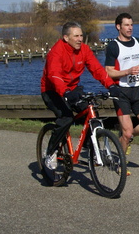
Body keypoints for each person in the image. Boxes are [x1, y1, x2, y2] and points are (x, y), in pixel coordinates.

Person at [40, 21, 121, 150]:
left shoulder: (84, 49)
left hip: (72, 88)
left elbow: (97, 69)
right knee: (66, 118)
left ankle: (89, 147)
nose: (80, 39)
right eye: (76, 36)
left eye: (81, 36)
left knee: (91, 112)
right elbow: (54, 75)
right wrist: (65, 92)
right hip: (52, 90)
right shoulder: (56, 52)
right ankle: (51, 153)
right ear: (66, 38)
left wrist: (111, 86)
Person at [105, 12, 139, 154]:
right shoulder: (113, 46)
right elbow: (108, 71)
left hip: (138, 90)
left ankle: (125, 137)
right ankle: (121, 162)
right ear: (118, 27)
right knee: (127, 133)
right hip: (121, 92)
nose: (130, 28)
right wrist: (127, 72)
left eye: (131, 24)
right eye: (126, 25)